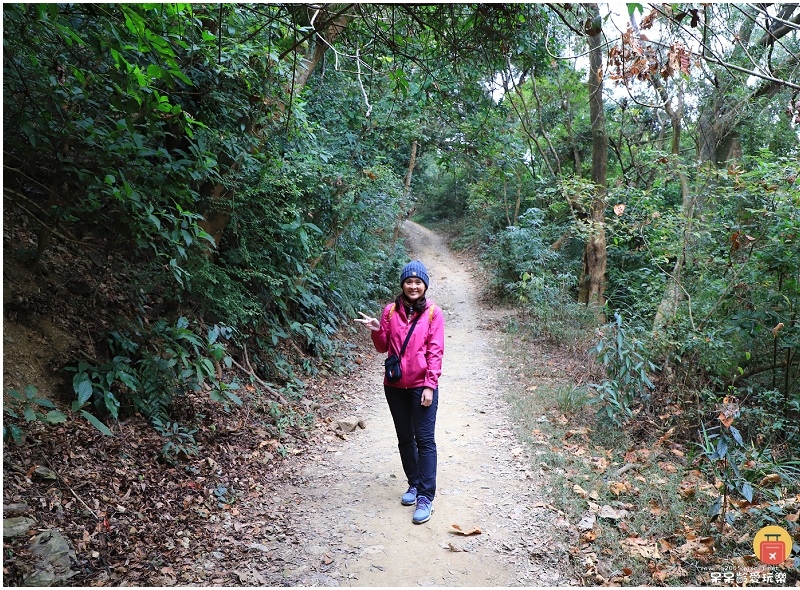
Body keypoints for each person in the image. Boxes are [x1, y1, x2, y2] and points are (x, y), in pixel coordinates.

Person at [354, 260, 445, 524]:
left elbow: (435, 351)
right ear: (402, 285)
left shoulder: (432, 313)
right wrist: (376, 330)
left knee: (425, 440)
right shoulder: (390, 311)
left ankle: (426, 497)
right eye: (409, 282)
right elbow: (383, 347)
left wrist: (430, 384)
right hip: (394, 386)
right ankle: (414, 484)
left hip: (421, 386)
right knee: (405, 437)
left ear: (424, 285)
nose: (413, 286)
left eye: (418, 282)